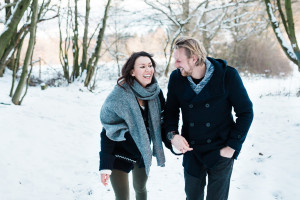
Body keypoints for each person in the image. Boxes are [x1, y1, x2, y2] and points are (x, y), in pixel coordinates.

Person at [164, 36, 254, 200]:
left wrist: (232, 147)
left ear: (194, 59)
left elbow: (246, 112)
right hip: (192, 150)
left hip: (221, 149)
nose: (175, 65)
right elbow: (170, 112)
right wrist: (173, 135)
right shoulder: (176, 78)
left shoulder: (227, 76)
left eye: (178, 60)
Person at [99, 51, 169, 200]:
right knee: (122, 197)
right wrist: (105, 165)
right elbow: (108, 130)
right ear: (132, 71)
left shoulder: (156, 93)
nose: (148, 70)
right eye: (142, 66)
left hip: (142, 152)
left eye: (150, 65)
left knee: (141, 188)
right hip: (120, 154)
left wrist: (173, 140)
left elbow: (162, 124)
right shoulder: (120, 95)